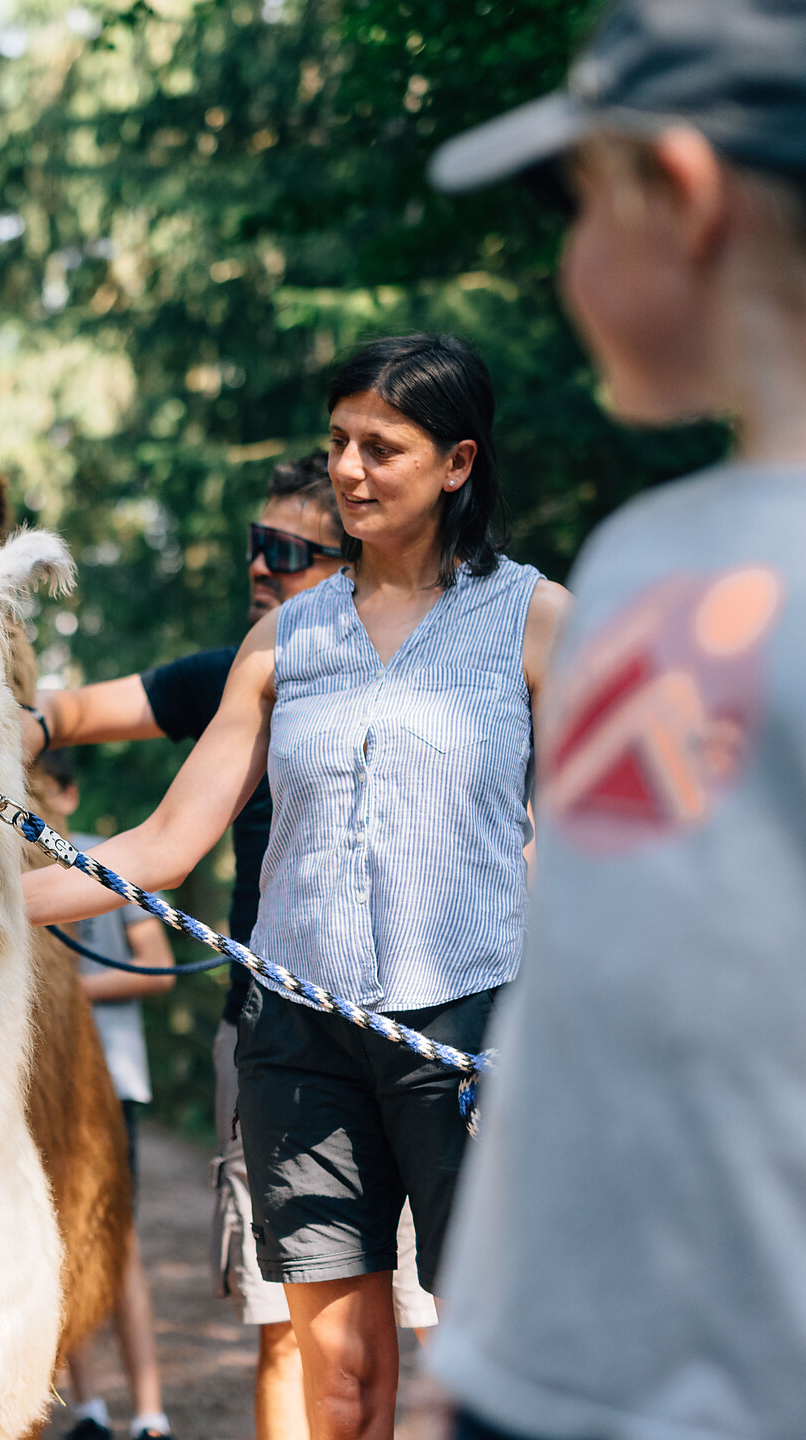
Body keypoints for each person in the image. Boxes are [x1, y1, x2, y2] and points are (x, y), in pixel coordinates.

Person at [24, 332, 571, 1440]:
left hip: (467, 1033)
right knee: (342, 1385)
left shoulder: (536, 619)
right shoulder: (283, 641)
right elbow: (163, 846)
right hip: (300, 1042)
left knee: (484, 1370)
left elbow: (595, 831)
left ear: (458, 463)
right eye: (339, 442)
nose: (349, 470)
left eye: (383, 447)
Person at [421, 4, 806, 1437]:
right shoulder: (642, 558)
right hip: (537, 1373)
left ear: (682, 196)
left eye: (579, 202)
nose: (565, 252)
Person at [28, 453, 438, 1440]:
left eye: (287, 550)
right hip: (276, 1040)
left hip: (428, 1030)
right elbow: (86, 730)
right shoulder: (235, 673)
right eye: (257, 543)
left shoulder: (447, 664)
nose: (259, 564)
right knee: (291, 1333)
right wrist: (13, 726)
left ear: (355, 558)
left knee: (442, 1326)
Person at [37, 746, 178, 1440]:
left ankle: (150, 1414)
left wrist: (67, 994)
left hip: (109, 1080)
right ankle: (87, 1408)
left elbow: (159, 968)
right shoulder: (16, 868)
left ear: (67, 794)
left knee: (117, 1247)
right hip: (44, 1084)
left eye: (43, 788)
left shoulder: (108, 859)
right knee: (56, 1241)